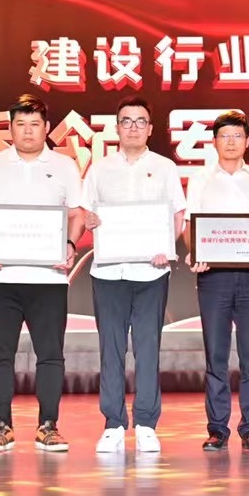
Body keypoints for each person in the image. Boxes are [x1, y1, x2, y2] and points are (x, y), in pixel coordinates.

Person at [0, 94, 84, 452]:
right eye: (20, 124)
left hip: (48, 278)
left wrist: (69, 244)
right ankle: (1, 426)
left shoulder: (64, 165)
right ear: (11, 128)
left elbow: (77, 214)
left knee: (50, 354)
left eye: (35, 124)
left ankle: (48, 425)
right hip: (0, 277)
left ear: (46, 128)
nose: (28, 131)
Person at [82, 96, 186, 455]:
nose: (133, 127)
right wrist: (90, 221)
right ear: (117, 127)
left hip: (151, 273)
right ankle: (113, 423)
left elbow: (177, 216)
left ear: (150, 128)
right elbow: (86, 214)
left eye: (140, 121)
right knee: (111, 350)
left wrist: (166, 247)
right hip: (108, 273)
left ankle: (145, 423)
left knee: (147, 348)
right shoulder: (99, 170)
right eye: (126, 121)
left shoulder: (165, 168)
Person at [186, 111, 249, 451]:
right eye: (224, 136)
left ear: (247, 141)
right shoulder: (200, 179)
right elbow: (190, 226)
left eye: (237, 136)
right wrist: (195, 251)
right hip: (214, 276)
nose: (230, 142)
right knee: (217, 355)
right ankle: (217, 429)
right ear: (214, 142)